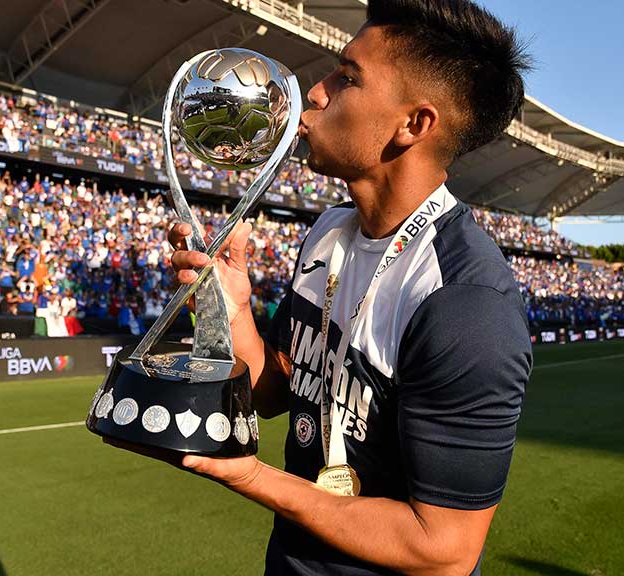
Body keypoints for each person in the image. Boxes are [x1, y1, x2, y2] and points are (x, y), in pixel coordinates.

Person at [155, 2, 533, 575]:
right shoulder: (328, 230)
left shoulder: (465, 302)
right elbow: (278, 391)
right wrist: (225, 311)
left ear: (414, 124)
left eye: (348, 77)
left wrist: (252, 475)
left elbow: (443, 550)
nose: (316, 92)